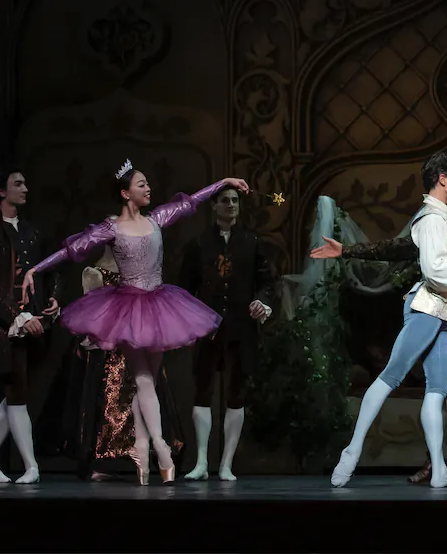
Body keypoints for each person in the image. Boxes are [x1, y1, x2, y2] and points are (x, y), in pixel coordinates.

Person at [22, 161, 247, 484]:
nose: (148, 188)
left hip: (158, 304)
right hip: (127, 309)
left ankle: (141, 452)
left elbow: (190, 203)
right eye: (141, 184)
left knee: (149, 383)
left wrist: (222, 181)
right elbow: (72, 251)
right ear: (126, 193)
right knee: (142, 380)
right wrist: (35, 270)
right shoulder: (110, 228)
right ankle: (161, 449)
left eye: (147, 184)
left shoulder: (157, 219)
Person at [310, 163, 447, 486]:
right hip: (429, 308)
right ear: (443, 180)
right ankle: (351, 451)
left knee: (436, 390)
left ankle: (439, 469)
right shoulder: (433, 218)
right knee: (392, 375)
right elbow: (433, 268)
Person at [60, 247, 185, 481]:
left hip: (143, 340)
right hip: (113, 350)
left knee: (147, 387)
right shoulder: (95, 273)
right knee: (116, 397)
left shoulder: (142, 273)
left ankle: (147, 451)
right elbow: (92, 315)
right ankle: (128, 453)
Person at [179, 185, 275, 481]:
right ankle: (201, 463)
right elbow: (185, 288)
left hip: (240, 329)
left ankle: (226, 465)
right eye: (225, 200)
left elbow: (267, 281)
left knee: (236, 394)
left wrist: (263, 301)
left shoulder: (252, 241)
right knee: (203, 392)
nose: (231, 205)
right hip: (208, 329)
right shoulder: (199, 244)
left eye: (235, 200)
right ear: (214, 206)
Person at [0, 168, 61, 484]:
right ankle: (31, 466)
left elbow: (50, 268)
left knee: (17, 393)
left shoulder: (33, 232)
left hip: (35, 322)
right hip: (6, 327)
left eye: (25, 182)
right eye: (18, 184)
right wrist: (16, 315)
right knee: (16, 392)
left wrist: (52, 299)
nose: (25, 188)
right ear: (1, 191)